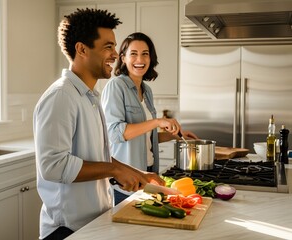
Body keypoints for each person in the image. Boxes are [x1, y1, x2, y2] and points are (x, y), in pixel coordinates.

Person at [33, 10, 165, 240]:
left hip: (94, 222)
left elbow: (95, 155)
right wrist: (115, 170)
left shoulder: (90, 97)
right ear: (82, 49)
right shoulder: (61, 96)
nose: (115, 55)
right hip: (66, 230)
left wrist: (134, 172)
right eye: (108, 47)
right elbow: (53, 166)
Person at [101, 32, 198, 204]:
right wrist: (157, 121)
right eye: (134, 54)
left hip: (148, 175)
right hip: (127, 181)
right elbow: (114, 133)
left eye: (145, 54)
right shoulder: (116, 87)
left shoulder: (147, 91)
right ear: (123, 58)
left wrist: (174, 135)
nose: (140, 59)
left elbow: (145, 137)